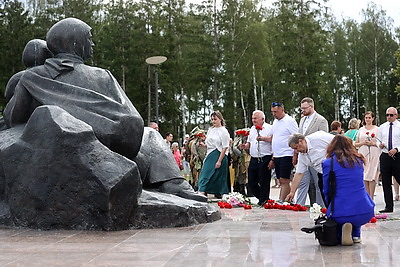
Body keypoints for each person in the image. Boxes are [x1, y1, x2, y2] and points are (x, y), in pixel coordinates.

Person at [322, 135, 374, 245]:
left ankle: (342, 232)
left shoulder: (328, 163)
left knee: (338, 219)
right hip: (364, 210)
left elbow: (326, 189)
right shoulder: (359, 161)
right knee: (355, 210)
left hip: (341, 211)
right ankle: (356, 234)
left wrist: (329, 207)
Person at [285, 131, 334, 205]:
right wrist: (292, 192)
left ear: (301, 141)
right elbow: (299, 174)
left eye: (296, 148)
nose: (296, 151)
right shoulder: (302, 156)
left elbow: (338, 141)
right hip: (322, 175)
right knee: (326, 198)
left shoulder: (318, 138)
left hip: (335, 172)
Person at [296, 97, 328, 207]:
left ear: (312, 107)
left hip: (316, 156)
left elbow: (325, 140)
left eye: (305, 108)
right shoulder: (302, 120)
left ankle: (320, 206)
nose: (303, 111)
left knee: (318, 183)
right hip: (303, 155)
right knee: (302, 182)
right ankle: (299, 204)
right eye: (301, 109)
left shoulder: (321, 120)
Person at [241, 110, 273, 205]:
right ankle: (263, 198)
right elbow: (249, 142)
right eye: (252, 118)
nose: (253, 120)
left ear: (262, 119)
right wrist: (245, 146)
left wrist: (263, 138)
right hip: (254, 158)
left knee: (264, 181)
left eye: (255, 118)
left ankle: (263, 200)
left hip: (265, 157)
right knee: (251, 181)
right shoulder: (252, 129)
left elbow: (273, 140)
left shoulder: (269, 128)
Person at [268, 102, 299, 202]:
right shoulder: (275, 122)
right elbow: (274, 138)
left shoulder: (290, 121)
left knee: (284, 179)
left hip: (287, 153)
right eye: (272, 112)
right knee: (280, 180)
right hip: (277, 154)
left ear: (282, 110)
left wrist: (295, 154)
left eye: (276, 112)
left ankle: (281, 200)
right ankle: (289, 199)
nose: (274, 114)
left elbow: (296, 138)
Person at [198, 111, 230, 197]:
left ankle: (223, 193)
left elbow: (225, 146)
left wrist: (219, 161)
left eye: (215, 119)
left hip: (219, 153)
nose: (213, 121)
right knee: (205, 173)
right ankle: (202, 192)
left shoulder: (224, 131)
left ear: (220, 119)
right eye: (212, 119)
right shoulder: (210, 130)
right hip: (210, 154)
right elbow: (209, 143)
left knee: (219, 176)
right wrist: (203, 145)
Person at [377, 107, 400, 213]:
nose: (389, 117)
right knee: (386, 181)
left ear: (396, 115)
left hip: (397, 155)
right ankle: (389, 206)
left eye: (391, 115)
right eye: (387, 115)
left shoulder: (399, 126)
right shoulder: (382, 127)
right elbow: (378, 140)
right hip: (385, 155)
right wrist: (380, 145)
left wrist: (396, 149)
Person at [354, 111, 380, 199]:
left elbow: (380, 143)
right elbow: (355, 143)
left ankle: (371, 196)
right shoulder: (361, 130)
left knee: (372, 175)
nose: (368, 119)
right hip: (363, 153)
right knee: (365, 175)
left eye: (369, 117)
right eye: (366, 118)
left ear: (373, 118)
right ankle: (367, 196)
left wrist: (372, 143)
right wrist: (363, 143)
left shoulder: (377, 129)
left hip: (374, 153)